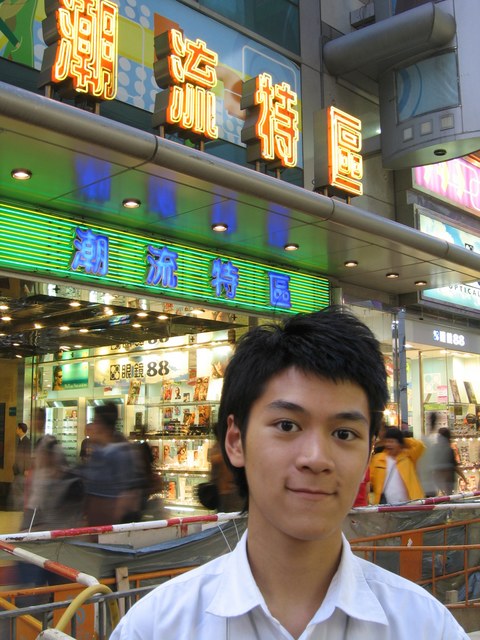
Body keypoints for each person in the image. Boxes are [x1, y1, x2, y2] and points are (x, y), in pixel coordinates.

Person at [111, 306, 467, 639]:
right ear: (235, 441)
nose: (316, 458)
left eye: (344, 434)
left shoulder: (425, 626)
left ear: (367, 452)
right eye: (287, 425)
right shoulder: (156, 627)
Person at [82, 403, 146, 526]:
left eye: (95, 422)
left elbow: (128, 493)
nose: (92, 426)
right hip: (98, 520)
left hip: (110, 522)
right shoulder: (98, 452)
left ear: (101, 425)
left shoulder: (120, 453)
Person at [370, 427, 426, 504]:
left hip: (410, 504)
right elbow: (370, 481)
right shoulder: (378, 459)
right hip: (385, 506)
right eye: (387, 441)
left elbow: (420, 445)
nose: (388, 444)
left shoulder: (408, 456)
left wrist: (403, 440)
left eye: (392, 441)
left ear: (399, 443)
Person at [433, 427, 467, 495]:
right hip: (448, 480)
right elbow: (455, 467)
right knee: (449, 497)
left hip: (438, 480)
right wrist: (464, 478)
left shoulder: (435, 448)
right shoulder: (449, 450)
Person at [11, 422, 32, 510]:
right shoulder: (20, 440)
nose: (16, 430)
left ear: (20, 429)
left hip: (22, 471)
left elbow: (27, 456)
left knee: (19, 490)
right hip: (18, 470)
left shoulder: (26, 441)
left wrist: (26, 469)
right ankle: (18, 508)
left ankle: (20, 509)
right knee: (17, 490)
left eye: (17, 428)